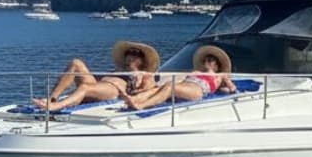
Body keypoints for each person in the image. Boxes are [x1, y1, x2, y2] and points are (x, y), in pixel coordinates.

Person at [32, 40, 160, 111]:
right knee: (76, 63)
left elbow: (150, 91)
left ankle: (56, 106)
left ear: (142, 60)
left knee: (85, 87)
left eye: (136, 54)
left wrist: (134, 88)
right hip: (100, 86)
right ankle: (52, 99)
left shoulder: (146, 75)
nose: (130, 56)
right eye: (129, 52)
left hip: (114, 91)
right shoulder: (118, 69)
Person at [122, 45, 236, 111]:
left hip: (197, 90)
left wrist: (222, 88)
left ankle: (142, 105)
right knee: (161, 87)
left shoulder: (220, 76)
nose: (206, 62)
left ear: (217, 65)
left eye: (210, 60)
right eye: (205, 60)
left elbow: (232, 89)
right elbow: (182, 81)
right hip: (185, 86)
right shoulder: (196, 72)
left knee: (170, 87)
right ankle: (135, 100)